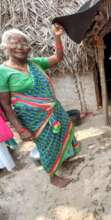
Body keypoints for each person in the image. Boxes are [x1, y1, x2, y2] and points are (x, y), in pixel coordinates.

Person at [0, 24, 80, 188]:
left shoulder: (34, 64)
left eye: (24, 44)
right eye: (15, 44)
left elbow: (58, 57)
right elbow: (6, 105)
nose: (20, 48)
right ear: (5, 47)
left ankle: (63, 160)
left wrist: (57, 36)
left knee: (62, 134)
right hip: (33, 119)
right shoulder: (2, 71)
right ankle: (53, 175)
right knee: (46, 145)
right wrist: (20, 129)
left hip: (54, 110)